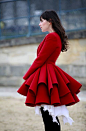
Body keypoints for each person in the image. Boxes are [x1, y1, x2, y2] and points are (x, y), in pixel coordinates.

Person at [17, 10, 82, 131]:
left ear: (50, 21)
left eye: (42, 21)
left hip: (46, 76)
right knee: (50, 115)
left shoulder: (52, 36)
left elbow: (40, 59)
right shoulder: (54, 36)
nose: (39, 24)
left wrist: (26, 76)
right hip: (47, 74)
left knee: (49, 116)